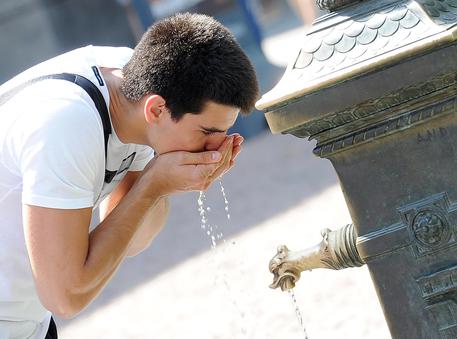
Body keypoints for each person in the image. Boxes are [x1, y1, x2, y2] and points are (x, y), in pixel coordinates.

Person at [0, 13, 259, 339]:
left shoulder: (136, 83)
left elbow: (134, 239)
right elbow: (64, 296)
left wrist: (163, 181)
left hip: (26, 323)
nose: (217, 146)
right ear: (156, 110)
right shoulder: (68, 124)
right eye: (208, 132)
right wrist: (152, 185)